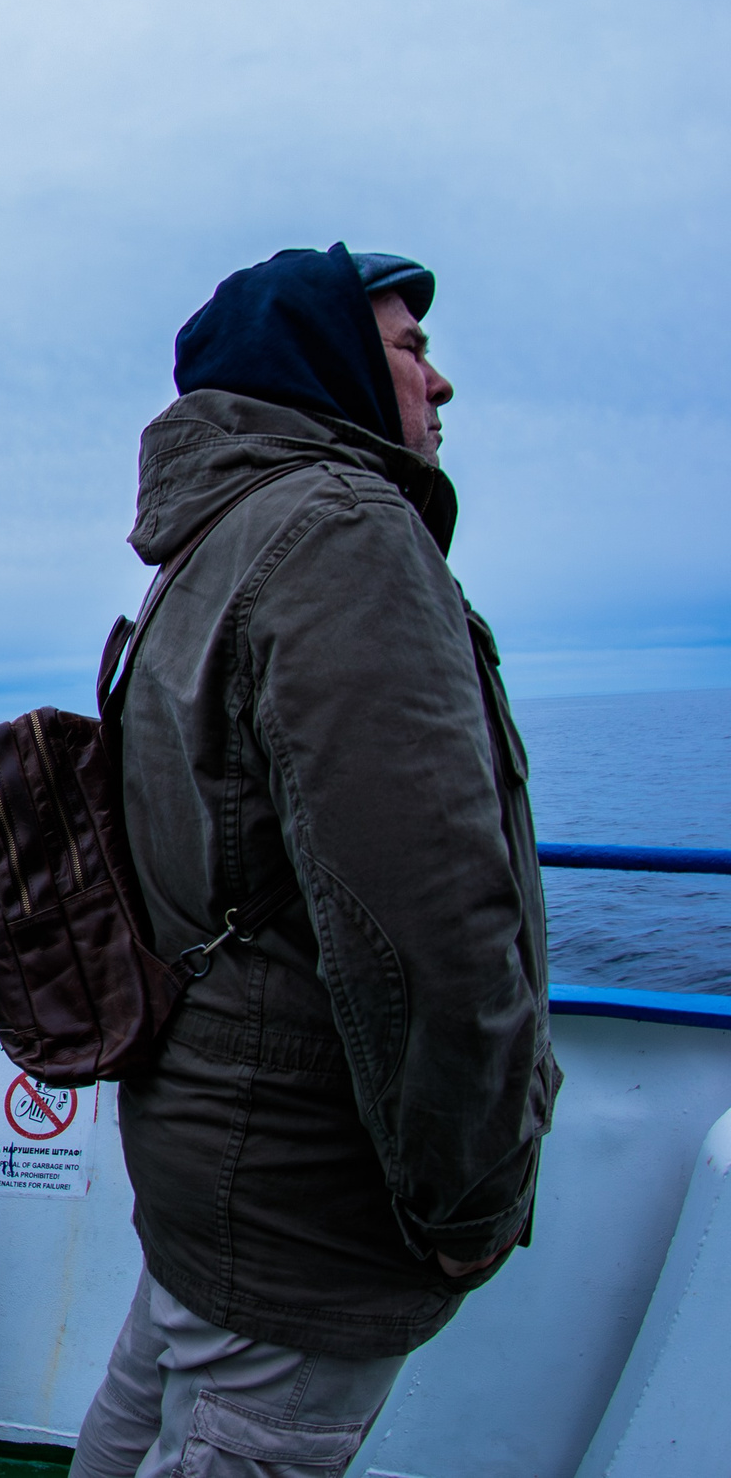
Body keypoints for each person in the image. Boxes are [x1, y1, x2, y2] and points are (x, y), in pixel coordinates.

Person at [69, 244, 560, 1478]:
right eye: (409, 349)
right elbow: (425, 924)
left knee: (144, 1421)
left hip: (206, 1149)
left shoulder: (212, 545)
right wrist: (468, 1205)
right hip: (303, 1195)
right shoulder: (342, 534)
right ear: (328, 362)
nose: (439, 384)